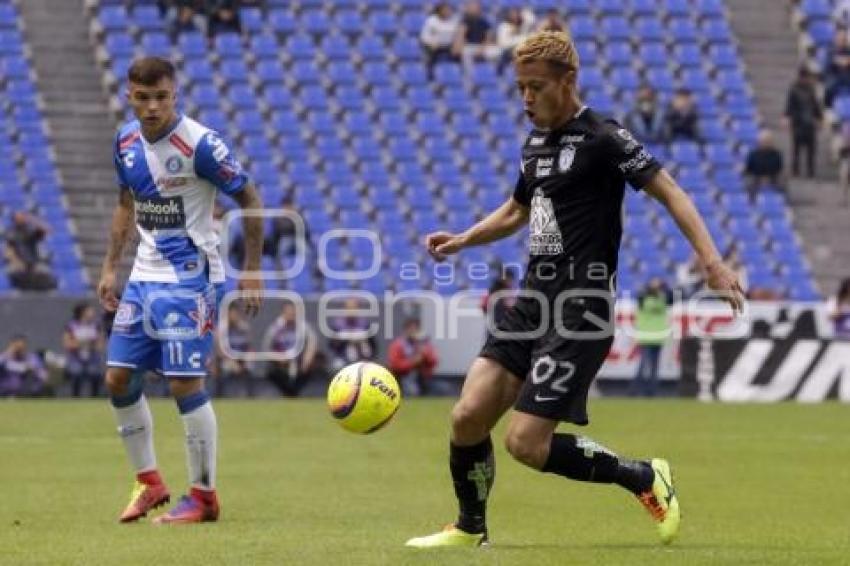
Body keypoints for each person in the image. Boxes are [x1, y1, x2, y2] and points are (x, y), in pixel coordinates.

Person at [406, 31, 744, 549]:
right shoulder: (534, 145)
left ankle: (642, 477)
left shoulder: (605, 138)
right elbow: (520, 211)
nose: (526, 98)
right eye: (520, 87)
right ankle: (470, 527)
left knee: (524, 443)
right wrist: (464, 239)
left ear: (568, 82)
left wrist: (712, 262)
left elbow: (670, 191)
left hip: (580, 311)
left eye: (535, 87)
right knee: (467, 416)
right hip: (531, 302)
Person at [97, 57, 263, 525]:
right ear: (129, 94)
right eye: (142, 97)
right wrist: (112, 266)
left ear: (175, 95)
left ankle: (204, 495)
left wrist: (252, 270)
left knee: (184, 382)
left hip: (191, 278)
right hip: (144, 277)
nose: (152, 107)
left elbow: (249, 198)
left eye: (161, 97)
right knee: (117, 379)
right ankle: (149, 484)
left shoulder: (201, 145)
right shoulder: (125, 141)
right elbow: (125, 204)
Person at [263, 302, 320, 397]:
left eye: (293, 312)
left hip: (299, 362)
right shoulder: (276, 327)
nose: (291, 315)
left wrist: (307, 357)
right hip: (280, 364)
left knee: (311, 368)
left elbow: (312, 340)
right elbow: (266, 347)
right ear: (283, 313)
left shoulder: (302, 326)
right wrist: (279, 358)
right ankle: (288, 394)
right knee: (273, 372)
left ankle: (295, 394)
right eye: (288, 312)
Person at [631, 278, 672, 398]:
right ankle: (638, 391)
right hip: (649, 336)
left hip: (655, 336)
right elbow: (640, 294)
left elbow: (671, 296)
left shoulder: (660, 298)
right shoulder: (646, 298)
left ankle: (647, 392)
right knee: (646, 366)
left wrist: (662, 286)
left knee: (650, 366)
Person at [3, 210, 57, 291]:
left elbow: (48, 230)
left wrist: (32, 219)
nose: (21, 219)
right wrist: (16, 262)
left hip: (34, 262)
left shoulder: (30, 230)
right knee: (14, 275)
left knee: (49, 278)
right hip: (18, 264)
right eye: (18, 217)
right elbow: (8, 250)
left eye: (22, 217)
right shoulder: (11, 232)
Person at [211, 301, 256, 397]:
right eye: (231, 313)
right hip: (226, 359)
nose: (233, 315)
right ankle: (220, 395)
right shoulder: (221, 329)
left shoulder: (244, 328)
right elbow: (220, 351)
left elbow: (249, 347)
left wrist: (247, 360)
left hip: (241, 358)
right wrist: (232, 362)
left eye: (235, 313)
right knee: (225, 367)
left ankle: (250, 395)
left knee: (250, 364)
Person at [784, 66, 822, 178]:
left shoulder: (812, 90)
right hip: (798, 122)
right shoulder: (793, 89)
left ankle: (810, 171)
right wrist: (787, 118)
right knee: (796, 148)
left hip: (810, 123)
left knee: (811, 149)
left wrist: (819, 117)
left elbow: (816, 105)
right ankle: (795, 170)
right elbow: (789, 106)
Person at [387, 317, 439, 396]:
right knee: (413, 391)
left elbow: (434, 361)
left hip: (424, 378)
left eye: (415, 329)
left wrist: (425, 354)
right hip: (404, 377)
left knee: (443, 389)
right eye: (410, 329)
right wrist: (412, 362)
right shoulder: (398, 345)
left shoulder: (423, 343)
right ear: (406, 330)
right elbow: (395, 365)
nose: (413, 331)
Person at [63, 302, 105, 397]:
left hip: (92, 359)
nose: (92, 313)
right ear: (82, 312)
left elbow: (100, 345)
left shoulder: (96, 326)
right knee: (76, 372)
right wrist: (84, 343)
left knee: (95, 373)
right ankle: (75, 397)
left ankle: (95, 397)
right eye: (90, 310)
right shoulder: (71, 326)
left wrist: (85, 344)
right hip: (76, 359)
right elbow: (67, 344)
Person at [327, 297, 376, 372]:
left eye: (354, 308)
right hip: (342, 356)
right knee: (336, 367)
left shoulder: (365, 324)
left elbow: (373, 345)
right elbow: (332, 345)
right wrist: (343, 339)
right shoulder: (337, 324)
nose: (351, 311)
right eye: (349, 308)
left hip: (362, 355)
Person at [455, 0, 500, 70]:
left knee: (496, 52)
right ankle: (469, 75)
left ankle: (491, 72)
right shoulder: (465, 21)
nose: (473, 8)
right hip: (470, 46)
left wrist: (482, 48)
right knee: (465, 52)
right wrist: (458, 46)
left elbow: (488, 37)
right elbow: (461, 35)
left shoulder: (484, 21)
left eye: (475, 6)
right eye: (471, 6)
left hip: (482, 46)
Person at [419, 3, 460, 79]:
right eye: (446, 10)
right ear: (440, 11)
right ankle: (430, 75)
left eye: (449, 10)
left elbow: (458, 35)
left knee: (459, 53)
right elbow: (424, 37)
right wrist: (431, 43)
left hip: (449, 45)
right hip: (434, 45)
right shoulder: (431, 21)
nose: (448, 12)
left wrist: (456, 44)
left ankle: (458, 74)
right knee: (430, 53)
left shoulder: (454, 20)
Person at [743, 129, 784, 200]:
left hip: (772, 179)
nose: (765, 143)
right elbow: (748, 169)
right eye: (763, 141)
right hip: (756, 180)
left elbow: (779, 168)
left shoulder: (777, 155)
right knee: (749, 187)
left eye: (768, 141)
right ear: (759, 142)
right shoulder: (753, 154)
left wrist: (768, 178)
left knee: (782, 187)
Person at [496, 7, 535, 73]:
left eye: (517, 14)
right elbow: (503, 43)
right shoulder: (504, 26)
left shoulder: (524, 26)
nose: (515, 16)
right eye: (513, 14)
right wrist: (518, 39)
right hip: (508, 51)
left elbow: (531, 19)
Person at [823, 28, 850, 107]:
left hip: (846, 75)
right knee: (830, 87)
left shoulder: (848, 50)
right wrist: (840, 61)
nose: (841, 40)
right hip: (834, 75)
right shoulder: (830, 49)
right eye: (839, 38)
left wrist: (843, 61)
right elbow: (830, 62)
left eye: (843, 39)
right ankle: (828, 107)